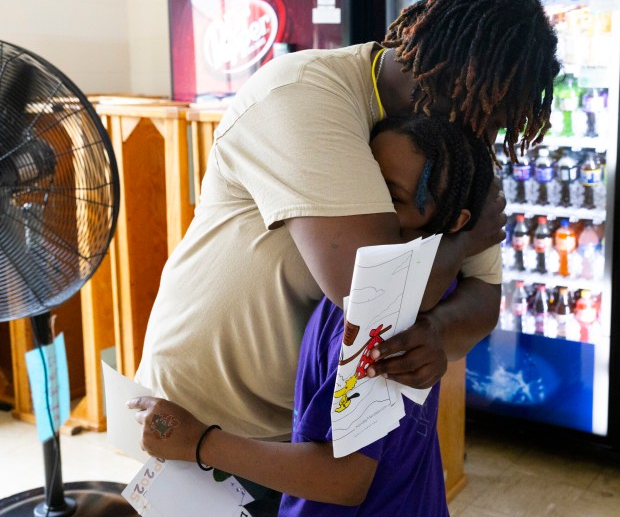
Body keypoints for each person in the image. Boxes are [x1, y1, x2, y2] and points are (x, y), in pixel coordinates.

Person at [135, 0, 560, 442]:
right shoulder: (304, 93)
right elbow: (367, 294)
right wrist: (467, 241)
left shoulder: (459, 144)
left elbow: (484, 299)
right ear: (456, 77)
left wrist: (435, 331)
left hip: (305, 429)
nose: (487, 139)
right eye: (485, 115)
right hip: (198, 412)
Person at [129, 112, 496, 516]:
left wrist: (198, 441)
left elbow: (345, 478)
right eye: (360, 182)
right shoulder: (377, 285)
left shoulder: (383, 314)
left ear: (452, 221)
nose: (363, 207)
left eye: (390, 198)